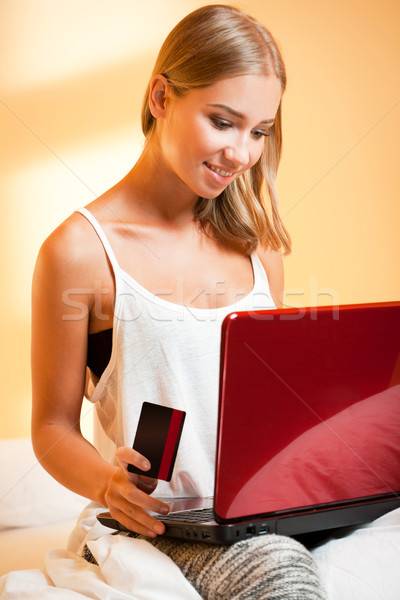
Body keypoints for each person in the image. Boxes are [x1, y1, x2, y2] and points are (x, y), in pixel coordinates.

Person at [31, 4, 325, 598]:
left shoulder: (258, 249)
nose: (243, 154)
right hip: (159, 527)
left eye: (260, 131)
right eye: (223, 121)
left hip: (261, 512)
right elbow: (52, 427)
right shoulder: (80, 251)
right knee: (281, 579)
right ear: (161, 97)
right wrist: (108, 485)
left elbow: (263, 414)